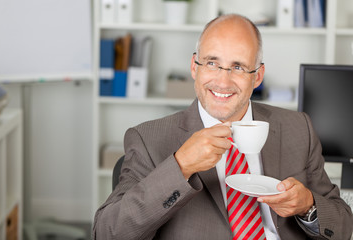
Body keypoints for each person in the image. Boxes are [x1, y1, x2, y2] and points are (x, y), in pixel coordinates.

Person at [93, 14, 353, 240]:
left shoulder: (298, 128)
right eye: (212, 63)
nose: (223, 81)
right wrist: (181, 165)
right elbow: (108, 233)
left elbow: (342, 226)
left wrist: (307, 206)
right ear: (194, 67)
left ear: (258, 76)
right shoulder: (148, 139)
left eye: (238, 67)